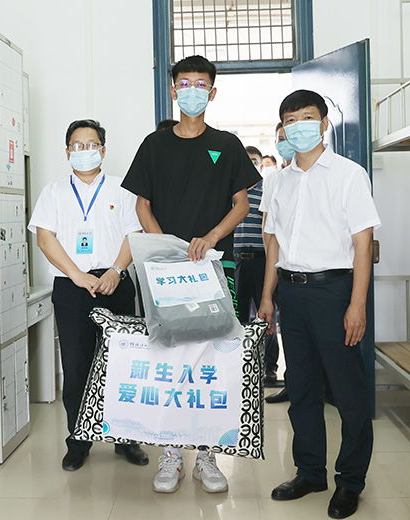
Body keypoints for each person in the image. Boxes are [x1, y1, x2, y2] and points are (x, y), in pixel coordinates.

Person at [122, 54, 261, 494]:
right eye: (185, 83)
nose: (193, 91)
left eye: (201, 84)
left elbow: (241, 204)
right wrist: (167, 248)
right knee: (167, 357)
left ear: (212, 92)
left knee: (212, 358)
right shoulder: (154, 145)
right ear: (173, 90)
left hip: (216, 268)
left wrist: (211, 237)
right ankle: (170, 454)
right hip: (165, 271)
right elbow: (142, 204)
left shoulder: (227, 144)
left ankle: (206, 456)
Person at [259, 90, 381, 519]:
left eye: (307, 118)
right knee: (302, 389)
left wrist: (357, 304)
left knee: (348, 393)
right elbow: (273, 245)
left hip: (334, 292)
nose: (299, 127)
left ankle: (350, 482)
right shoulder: (278, 181)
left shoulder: (349, 174)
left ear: (325, 123)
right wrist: (268, 296)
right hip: (291, 293)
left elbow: (362, 243)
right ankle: (310, 472)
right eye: (290, 121)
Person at [28, 119, 149, 472]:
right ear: (67, 151)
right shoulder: (53, 192)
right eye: (77, 145)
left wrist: (116, 271)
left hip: (115, 281)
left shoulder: (122, 189)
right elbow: (45, 239)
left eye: (91, 144)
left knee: (122, 363)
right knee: (77, 364)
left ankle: (126, 439)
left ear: (103, 150)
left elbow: (134, 234)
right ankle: (78, 441)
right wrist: (77, 275)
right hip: (71, 286)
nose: (85, 151)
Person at [233, 145, 279, 385]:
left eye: (254, 160)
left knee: (266, 315)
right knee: (238, 316)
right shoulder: (232, 192)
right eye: (246, 160)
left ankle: (270, 367)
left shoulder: (267, 190)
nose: (250, 164)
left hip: (262, 260)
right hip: (237, 261)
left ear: (261, 164)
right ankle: (240, 364)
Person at [261, 122, 295, 404]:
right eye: (280, 138)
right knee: (288, 333)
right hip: (280, 269)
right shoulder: (273, 180)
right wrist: (271, 263)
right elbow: (267, 228)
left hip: (312, 271)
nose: (285, 142)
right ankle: (292, 384)